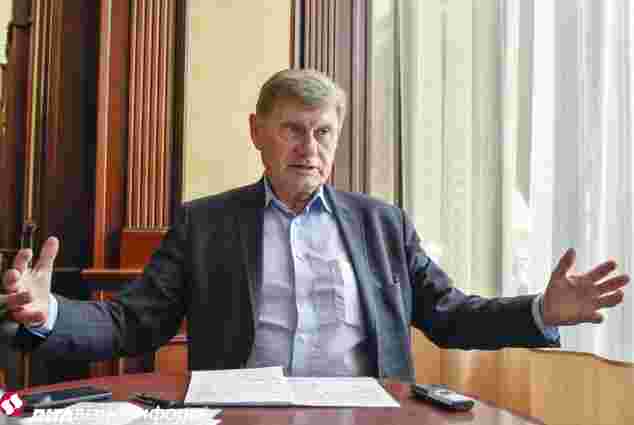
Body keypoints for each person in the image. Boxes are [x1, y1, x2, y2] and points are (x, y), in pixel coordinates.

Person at [2, 69, 630, 380]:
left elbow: (451, 316)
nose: (310, 148)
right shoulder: (206, 224)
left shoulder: (382, 225)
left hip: (368, 418)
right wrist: (48, 311)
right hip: (243, 418)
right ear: (258, 133)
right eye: (293, 130)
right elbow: (132, 322)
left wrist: (541, 311)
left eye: (323, 132)